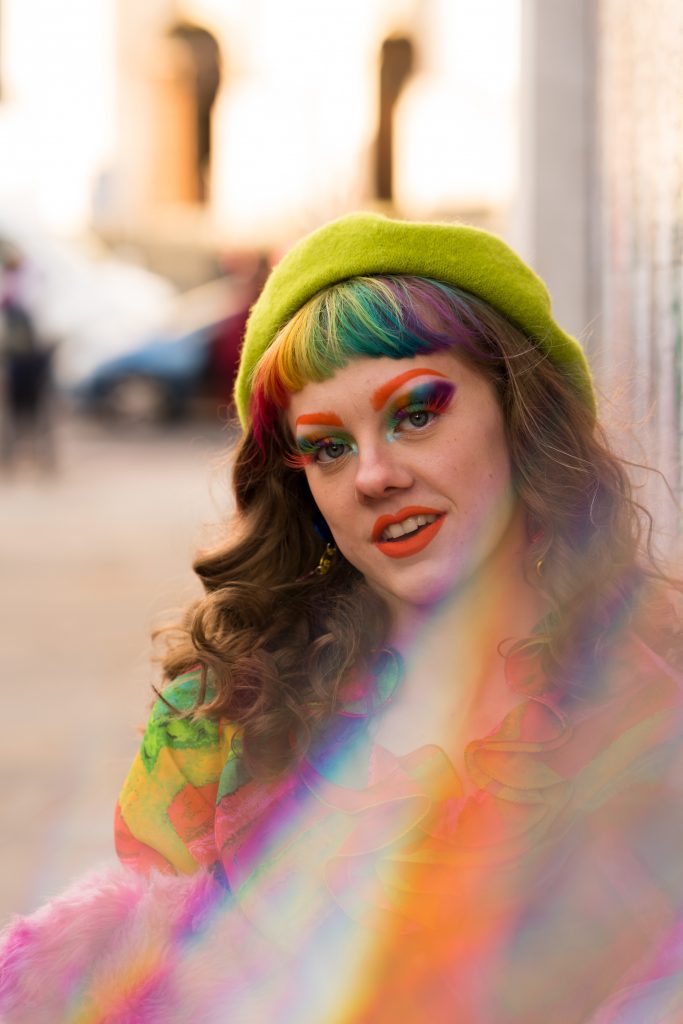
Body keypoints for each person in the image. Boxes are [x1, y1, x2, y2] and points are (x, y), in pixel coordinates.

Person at [2, 213, 683, 1023]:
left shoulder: (648, 715)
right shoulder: (225, 710)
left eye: (416, 413)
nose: (374, 475)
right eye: (327, 447)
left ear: (519, 415)